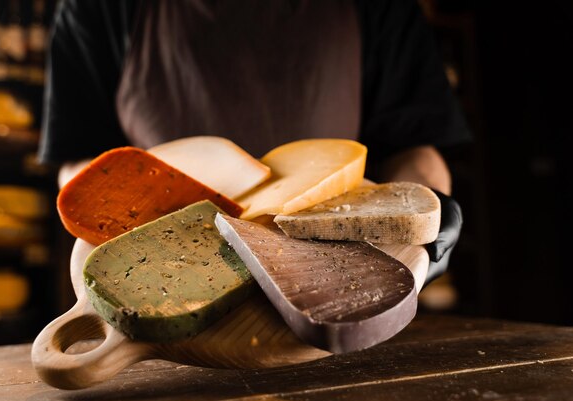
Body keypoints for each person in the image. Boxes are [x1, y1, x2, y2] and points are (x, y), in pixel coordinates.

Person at [38, 0, 471, 285]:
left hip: (337, 272)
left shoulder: (381, 6)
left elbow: (414, 149)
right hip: (172, 271)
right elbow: (81, 163)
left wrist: (423, 219)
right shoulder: (96, 8)